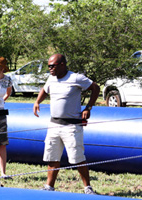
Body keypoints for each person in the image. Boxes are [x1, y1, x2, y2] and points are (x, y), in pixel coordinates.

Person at [33, 53, 100, 194]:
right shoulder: (51, 79)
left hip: (71, 126)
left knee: (77, 158)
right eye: (48, 66)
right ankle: (49, 186)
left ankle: (87, 188)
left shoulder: (76, 78)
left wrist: (88, 108)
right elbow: (44, 90)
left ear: (62, 65)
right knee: (52, 157)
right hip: (54, 125)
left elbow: (95, 88)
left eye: (52, 66)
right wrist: (37, 102)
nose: (50, 69)